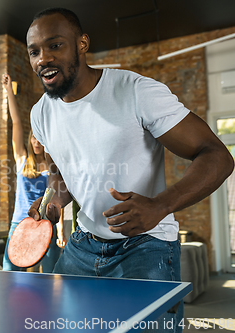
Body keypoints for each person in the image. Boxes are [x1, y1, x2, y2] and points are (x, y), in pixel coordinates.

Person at [26, 8, 233, 333]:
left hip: (146, 245)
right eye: (34, 51)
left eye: (55, 46)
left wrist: (160, 205)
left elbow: (218, 156)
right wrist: (55, 200)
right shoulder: (40, 114)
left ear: (82, 44)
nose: (43, 59)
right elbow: (62, 168)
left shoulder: (135, 91)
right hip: (83, 245)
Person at [1, 73, 65, 272]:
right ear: (29, 140)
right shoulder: (21, 159)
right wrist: (9, 92)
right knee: (8, 274)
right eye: (33, 138)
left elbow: (58, 199)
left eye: (40, 139)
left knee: (51, 274)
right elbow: (17, 122)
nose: (36, 142)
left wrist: (60, 229)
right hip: (19, 223)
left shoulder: (53, 166)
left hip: (46, 224)